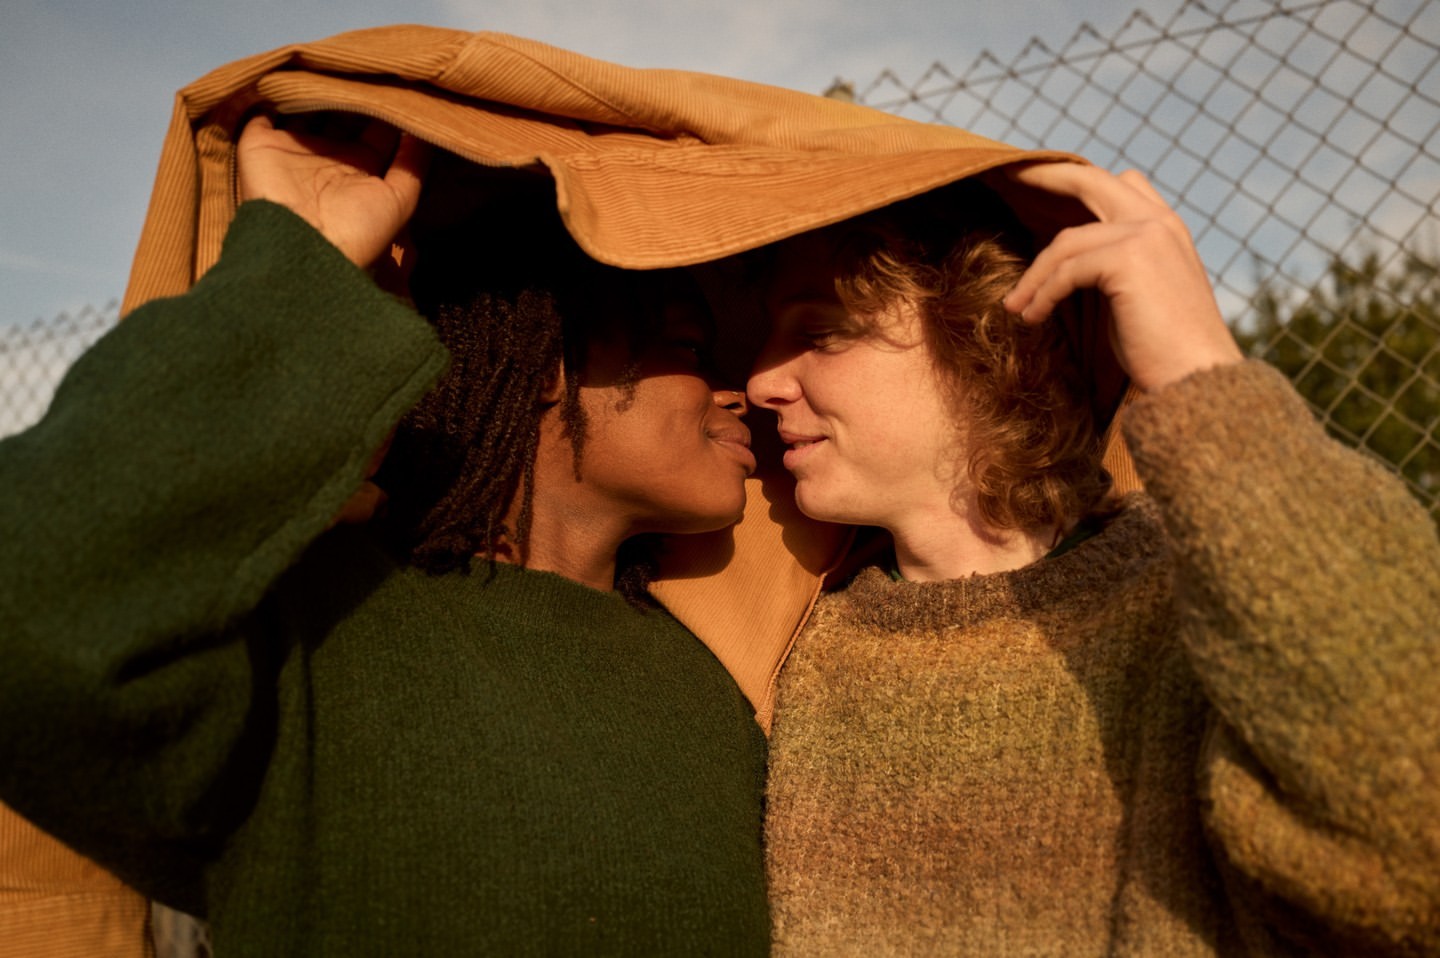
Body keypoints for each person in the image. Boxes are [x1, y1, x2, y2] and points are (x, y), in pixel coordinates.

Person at [0, 113, 770, 956]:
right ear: (548, 365)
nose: (742, 392)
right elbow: (26, 606)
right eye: (692, 346)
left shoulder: (724, 677)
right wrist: (303, 275)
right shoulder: (312, 628)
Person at [749, 162, 1440, 954]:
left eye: (819, 332)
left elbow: (1415, 846)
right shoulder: (795, 648)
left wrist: (1198, 372)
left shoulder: (1200, 608)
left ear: (984, 333)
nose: (762, 379)